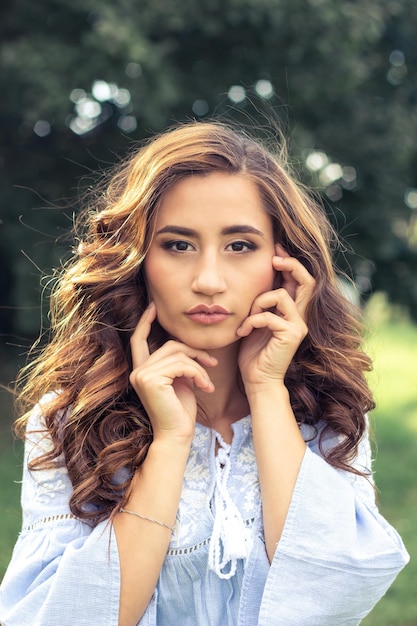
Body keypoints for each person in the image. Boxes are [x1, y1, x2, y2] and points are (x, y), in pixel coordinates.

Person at [0, 121, 409, 626]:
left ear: (284, 264)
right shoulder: (68, 419)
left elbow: (331, 595)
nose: (209, 281)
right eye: (178, 245)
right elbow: (68, 617)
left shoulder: (329, 412)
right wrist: (170, 442)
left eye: (240, 246)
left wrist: (266, 389)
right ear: (138, 260)